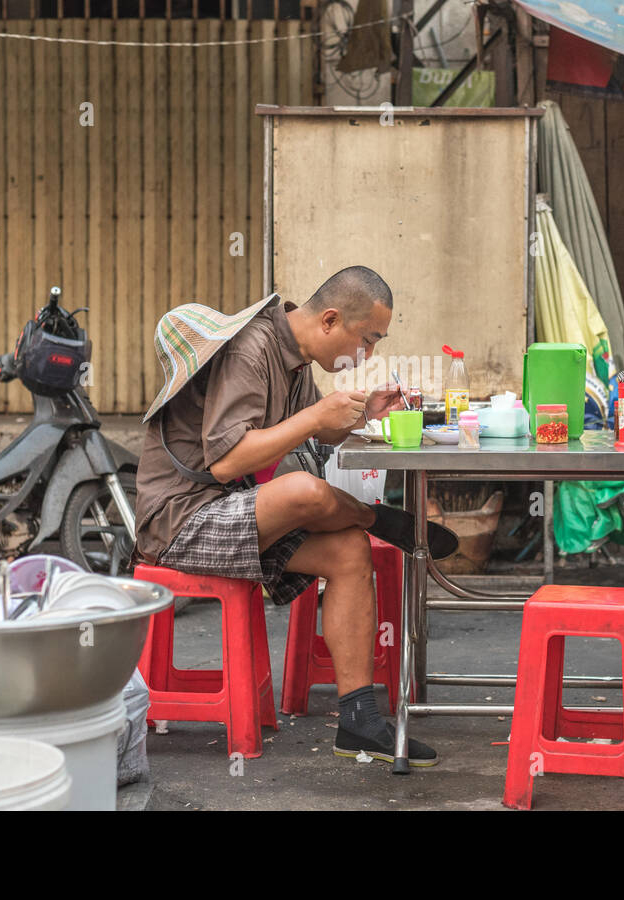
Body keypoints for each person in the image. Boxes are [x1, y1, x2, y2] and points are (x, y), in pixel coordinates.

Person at [135, 266, 448, 766]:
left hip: (230, 511)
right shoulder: (250, 349)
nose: (368, 354)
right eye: (367, 340)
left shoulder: (296, 359)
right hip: (180, 520)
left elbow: (314, 432)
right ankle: (378, 518)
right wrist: (314, 418)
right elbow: (228, 460)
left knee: (349, 550)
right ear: (329, 320)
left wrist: (366, 411)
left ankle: (359, 723)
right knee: (303, 490)